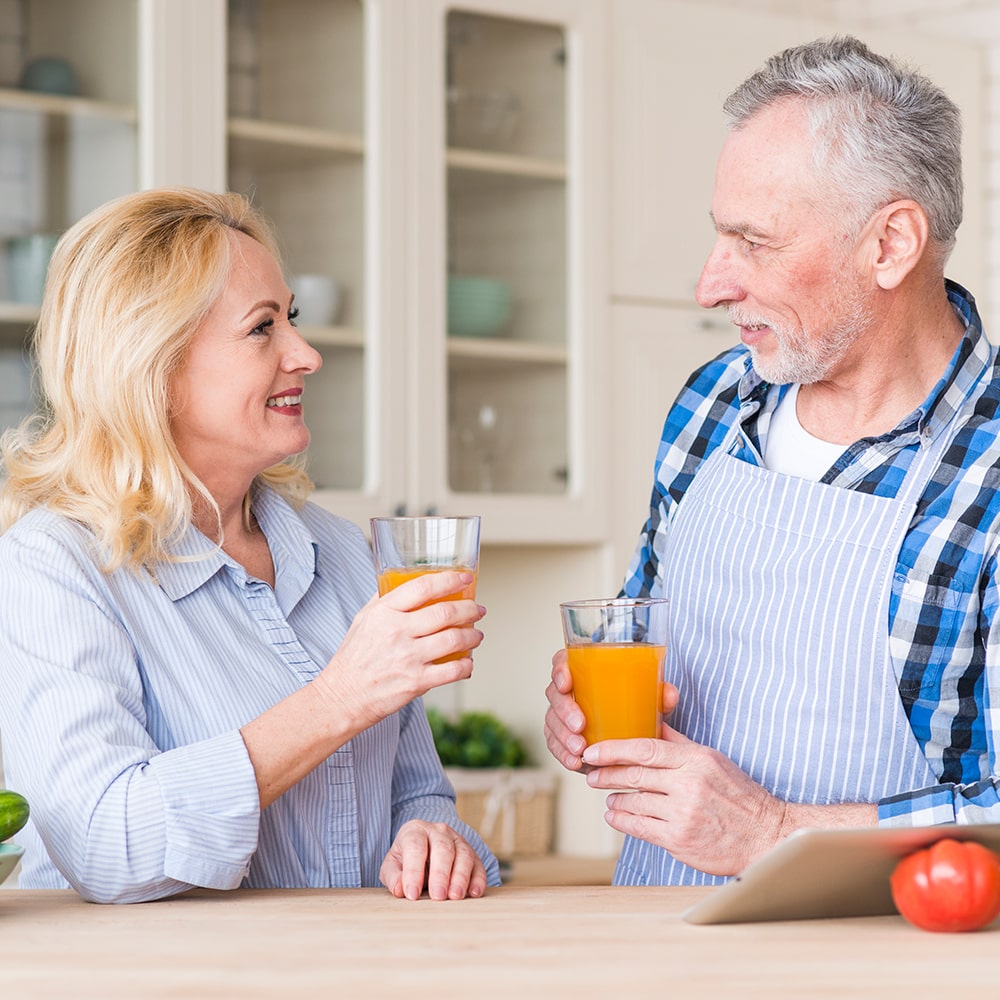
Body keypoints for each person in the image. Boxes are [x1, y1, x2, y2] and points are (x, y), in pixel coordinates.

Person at [545, 35, 1000, 886]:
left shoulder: (988, 468)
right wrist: (579, 700)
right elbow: (641, 632)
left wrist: (777, 832)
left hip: (874, 965)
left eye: (754, 243)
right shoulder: (715, 399)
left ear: (892, 244)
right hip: (647, 941)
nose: (710, 285)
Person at [0, 187, 499, 904]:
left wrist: (430, 839)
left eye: (289, 318)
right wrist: (336, 700)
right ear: (155, 365)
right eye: (263, 328)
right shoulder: (57, 565)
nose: (306, 354)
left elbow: (418, 792)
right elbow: (106, 843)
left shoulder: (342, 551)